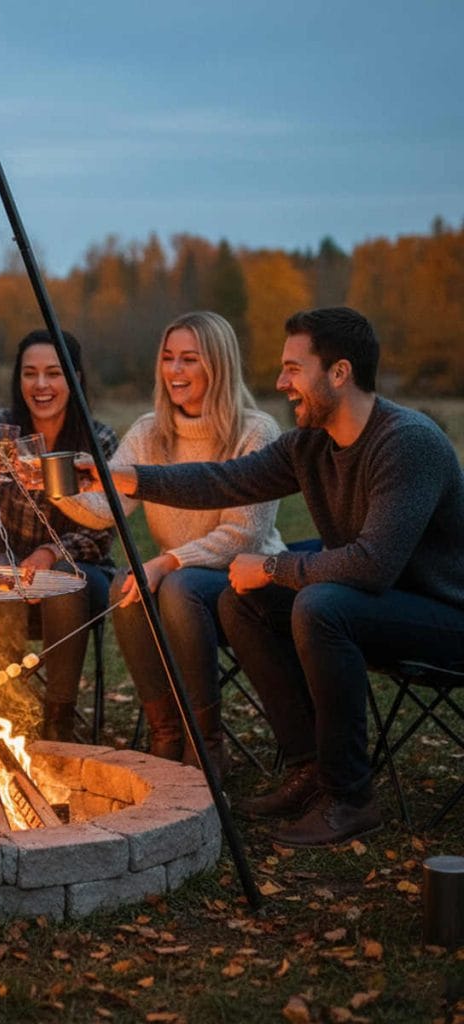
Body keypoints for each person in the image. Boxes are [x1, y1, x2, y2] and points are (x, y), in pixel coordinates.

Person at [103, 306, 464, 846]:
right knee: (240, 600)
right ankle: (309, 769)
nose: (280, 382)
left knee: (320, 605)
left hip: (442, 614)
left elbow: (371, 565)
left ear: (338, 373)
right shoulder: (311, 445)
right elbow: (224, 481)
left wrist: (272, 565)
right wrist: (124, 477)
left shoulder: (406, 442)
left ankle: (350, 797)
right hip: (376, 602)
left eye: (294, 368)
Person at [56, 311, 284, 776]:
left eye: (189, 360)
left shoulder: (255, 432)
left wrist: (170, 561)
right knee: (128, 584)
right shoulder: (149, 431)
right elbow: (105, 508)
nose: (175, 371)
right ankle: (166, 736)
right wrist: (55, 486)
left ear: (217, 366)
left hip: (248, 582)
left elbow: (243, 535)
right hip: (178, 579)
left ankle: (206, 747)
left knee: (176, 586)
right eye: (168, 359)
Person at [0, 329, 118, 740]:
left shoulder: (98, 440)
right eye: (30, 373)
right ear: (19, 379)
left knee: (63, 582)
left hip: (83, 571)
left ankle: (58, 721)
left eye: (54, 373)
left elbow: (101, 533)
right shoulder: (0, 426)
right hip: (8, 561)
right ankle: (0, 710)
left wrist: (51, 551)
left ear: (75, 380)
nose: (41, 385)